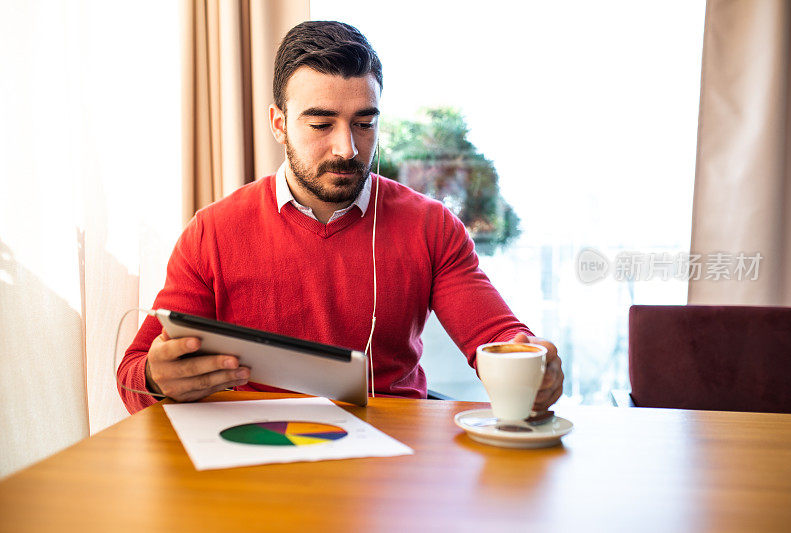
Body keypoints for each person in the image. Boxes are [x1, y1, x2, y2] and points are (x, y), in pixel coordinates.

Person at [118, 20, 563, 414]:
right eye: (320, 124)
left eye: (364, 123)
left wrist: (533, 363)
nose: (347, 148)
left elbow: (497, 336)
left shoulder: (431, 226)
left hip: (392, 456)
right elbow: (134, 372)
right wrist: (157, 380)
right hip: (258, 455)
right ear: (279, 123)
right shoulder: (212, 232)